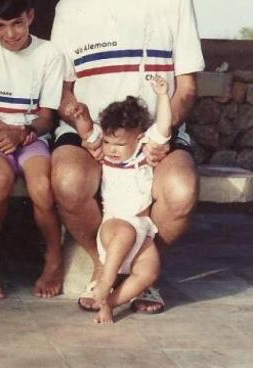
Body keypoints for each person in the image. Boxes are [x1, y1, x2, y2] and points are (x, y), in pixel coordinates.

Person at [50, 0, 204, 314]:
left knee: (182, 191)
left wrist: (161, 137)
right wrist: (86, 132)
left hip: (157, 131)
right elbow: (62, 93)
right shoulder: (72, 5)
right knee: (66, 180)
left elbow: (187, 87)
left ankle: (142, 271)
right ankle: (108, 269)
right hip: (89, 136)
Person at [0, 0, 66, 299]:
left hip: (30, 136)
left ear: (31, 17)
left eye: (17, 23)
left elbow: (48, 117)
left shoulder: (49, 54)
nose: (9, 34)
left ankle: (53, 257)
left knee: (42, 185)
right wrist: (5, 129)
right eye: (0, 25)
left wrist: (24, 132)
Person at [75, 77, 172, 324]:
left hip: (143, 230)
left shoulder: (144, 151)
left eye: (119, 145)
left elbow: (163, 126)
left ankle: (110, 302)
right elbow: (87, 130)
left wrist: (162, 95)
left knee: (149, 271)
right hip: (114, 225)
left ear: (139, 138)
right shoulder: (105, 156)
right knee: (126, 232)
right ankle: (104, 283)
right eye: (108, 142)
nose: (111, 150)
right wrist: (82, 113)